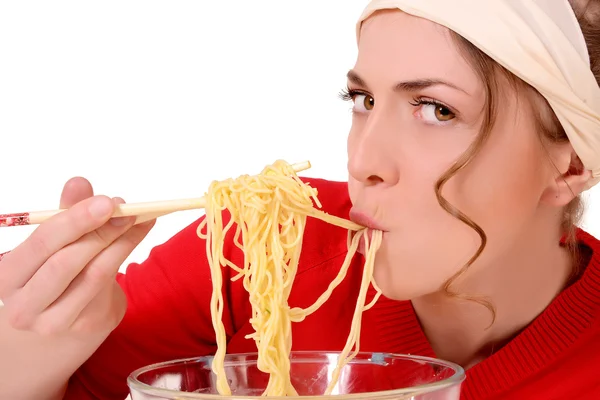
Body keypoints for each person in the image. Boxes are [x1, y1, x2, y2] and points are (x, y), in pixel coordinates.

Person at [1, 0, 600, 399]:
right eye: (363, 100)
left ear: (569, 165)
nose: (363, 161)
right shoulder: (260, 246)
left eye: (437, 110)